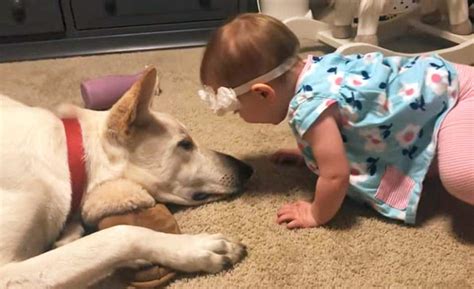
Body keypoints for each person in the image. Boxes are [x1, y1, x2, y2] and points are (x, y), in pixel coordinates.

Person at [198, 13, 474, 228]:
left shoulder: (308, 105)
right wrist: (310, 151)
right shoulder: (316, 67)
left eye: (237, 110)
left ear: (263, 93)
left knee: (461, 177)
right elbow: (347, 121)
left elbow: (336, 175)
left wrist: (316, 213)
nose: (239, 117)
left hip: (460, 96)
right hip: (442, 89)